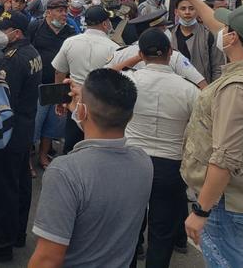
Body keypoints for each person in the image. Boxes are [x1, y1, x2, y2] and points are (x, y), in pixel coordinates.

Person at [167, 0, 243, 268]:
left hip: (225, 206)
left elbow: (225, 157)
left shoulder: (238, 89)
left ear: (231, 39)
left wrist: (201, 211)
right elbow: (217, 23)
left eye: (227, 29)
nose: (221, 30)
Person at [28, 69, 153, 268]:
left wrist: (82, 112)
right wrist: (81, 110)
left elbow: (47, 259)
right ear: (130, 118)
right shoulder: (143, 162)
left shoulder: (65, 172)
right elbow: (102, 136)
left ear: (83, 112)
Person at [107, 29, 199, 267]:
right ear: (170, 53)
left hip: (132, 160)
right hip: (171, 165)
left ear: (140, 54)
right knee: (163, 230)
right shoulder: (189, 90)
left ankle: (131, 256)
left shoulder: (129, 81)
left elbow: (101, 77)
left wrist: (134, 59)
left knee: (129, 224)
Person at [0, 11, 42, 263]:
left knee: (1, 187)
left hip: (7, 132)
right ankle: (16, 233)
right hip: (24, 128)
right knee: (20, 183)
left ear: (16, 33)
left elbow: (2, 102)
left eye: (4, 29)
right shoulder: (32, 53)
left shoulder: (12, 60)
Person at [51, 5, 120, 154]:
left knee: (72, 144)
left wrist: (59, 99)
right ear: (105, 23)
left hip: (75, 101)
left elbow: (59, 72)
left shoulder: (70, 42)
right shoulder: (113, 48)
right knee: (96, 145)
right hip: (100, 104)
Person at [30, 0, 77, 169]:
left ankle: (43, 156)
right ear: (48, 13)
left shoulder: (70, 32)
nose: (64, 14)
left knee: (52, 124)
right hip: (39, 84)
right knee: (35, 123)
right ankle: (28, 159)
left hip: (59, 86)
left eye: (65, 10)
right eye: (59, 10)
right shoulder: (36, 27)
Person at [106, 9, 208, 88]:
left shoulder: (120, 54)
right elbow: (202, 86)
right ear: (152, 32)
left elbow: (101, 78)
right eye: (163, 29)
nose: (167, 31)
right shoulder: (174, 56)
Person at [170, 0, 226, 83]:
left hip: (203, 88)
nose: (187, 12)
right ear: (176, 12)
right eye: (183, 9)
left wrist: (212, 90)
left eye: (192, 9)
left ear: (198, 11)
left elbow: (218, 67)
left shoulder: (209, 35)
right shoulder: (170, 35)